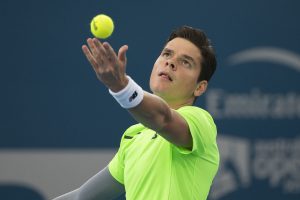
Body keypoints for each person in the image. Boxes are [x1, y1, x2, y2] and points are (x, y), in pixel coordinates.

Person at [53, 26, 219, 200]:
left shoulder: (201, 121)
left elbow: (163, 119)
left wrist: (123, 88)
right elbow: (81, 197)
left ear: (200, 87)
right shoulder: (134, 136)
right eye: (167, 54)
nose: (170, 62)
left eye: (186, 62)